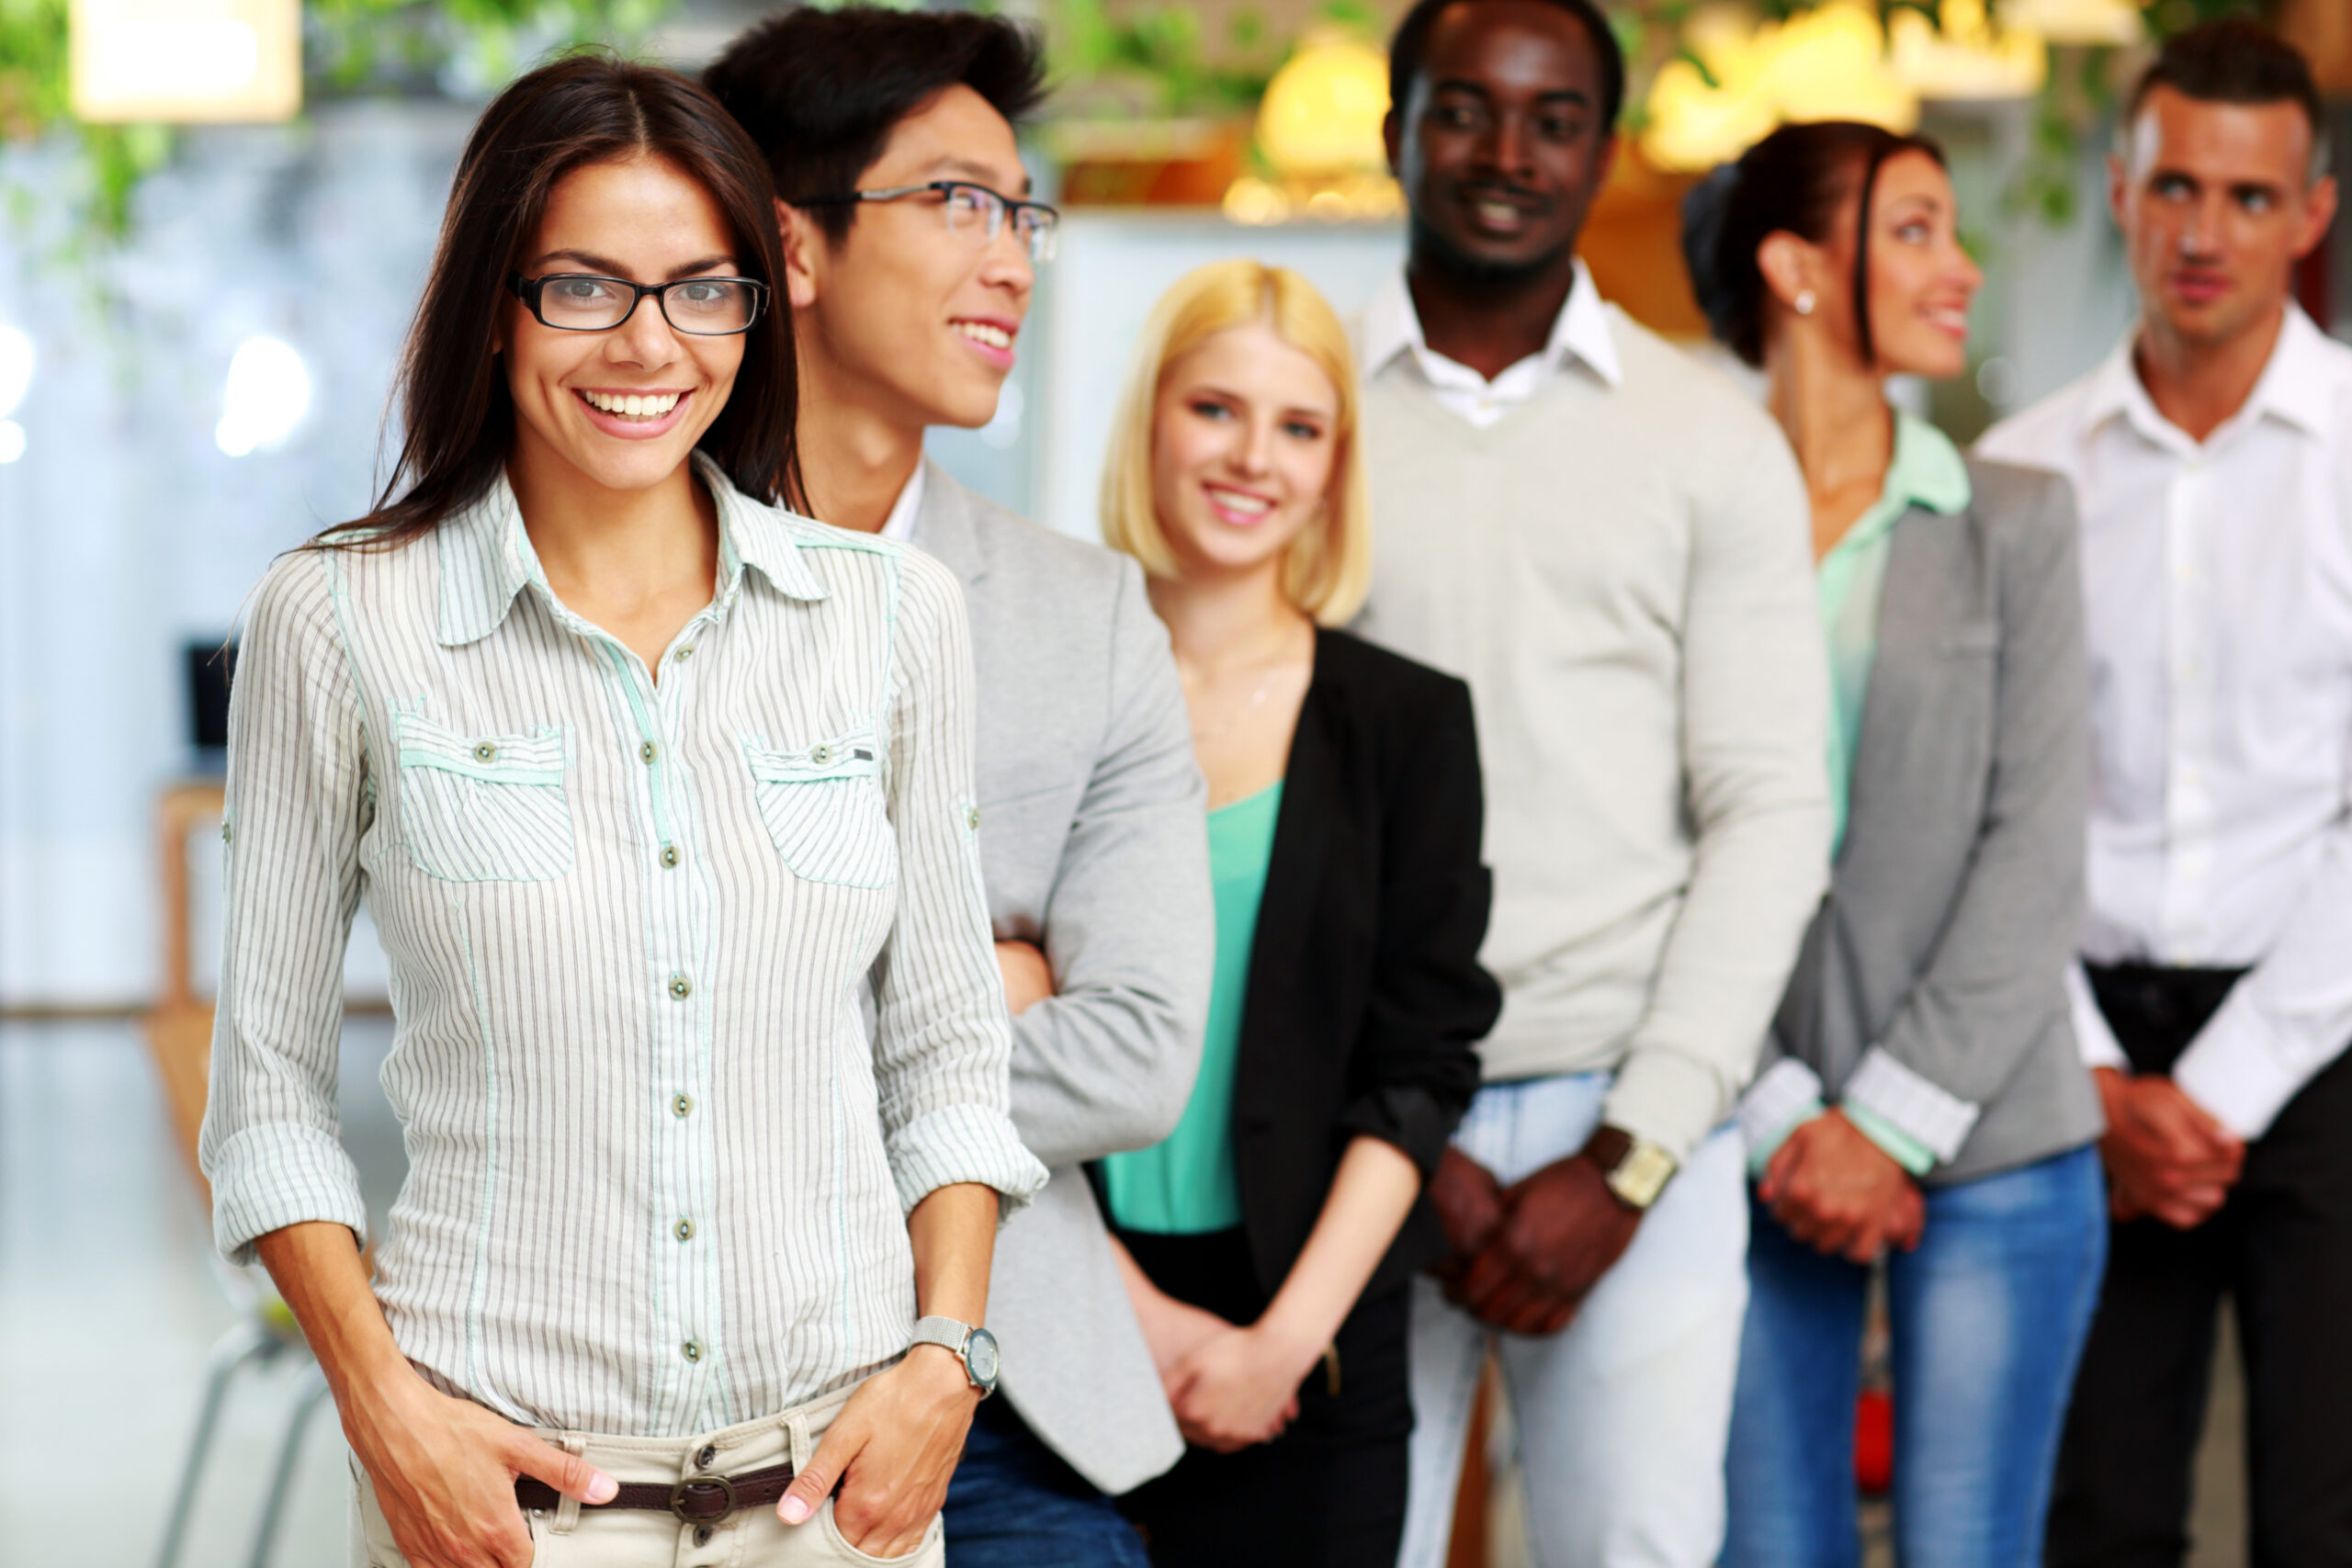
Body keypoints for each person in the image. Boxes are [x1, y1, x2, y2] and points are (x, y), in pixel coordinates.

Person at [198, 54, 1046, 1568]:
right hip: (499, 1505)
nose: (647, 346)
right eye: (583, 288)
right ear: (494, 299)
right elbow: (265, 1095)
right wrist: (384, 1410)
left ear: (754, 305)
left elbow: (946, 1054)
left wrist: (945, 1361)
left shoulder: (890, 619)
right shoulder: (339, 621)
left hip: (834, 1502)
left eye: (700, 290)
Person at [703, 13, 1216, 1566]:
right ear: (790, 245)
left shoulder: (1085, 612)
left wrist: (762, 1064)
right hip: (676, 1395)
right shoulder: (617, 578)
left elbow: (1135, 1051)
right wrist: (973, 991)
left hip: (1003, 1395)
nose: (1012, 260)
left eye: (1022, 212)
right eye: (957, 202)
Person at [1351, 0, 1835, 1562]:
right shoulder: (1292, 417)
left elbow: (1771, 808)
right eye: (1465, 109)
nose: (1507, 153)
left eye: (1553, 119)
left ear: (1602, 151)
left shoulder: (1710, 439)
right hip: (1355, 1117)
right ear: (1398, 132)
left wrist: (1632, 1157)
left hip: (1635, 1116)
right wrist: (1391, 1141)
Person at [1678, 120, 2108, 1568]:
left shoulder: (2017, 522)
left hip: (1998, 1138)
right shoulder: (1682, 523)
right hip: (1750, 1134)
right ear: (1801, 267)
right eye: (1917, 230)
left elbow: (2037, 845)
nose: (1963, 267)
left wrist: (1889, 1123)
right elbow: (1657, 847)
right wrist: (1788, 1110)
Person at [1977, 20, 2352, 1567]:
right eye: (2174, 187)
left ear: (2312, 215)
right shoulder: (2021, 473)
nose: (2206, 234)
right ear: (2121, 193)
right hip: (2078, 1067)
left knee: (2325, 1517)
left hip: (2324, 1042)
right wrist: (2098, 1076)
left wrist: (2223, 1086)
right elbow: (1992, 805)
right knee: (2096, 1516)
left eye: (2249, 199)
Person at [1092, 258, 1498, 1567]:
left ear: (1335, 468)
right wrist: (1136, 1323)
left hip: (1310, 1349)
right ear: (1151, 419)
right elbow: (970, 1037)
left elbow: (1420, 1067)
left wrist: (1281, 1344)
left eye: (1300, 427)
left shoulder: (1407, 724)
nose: (1252, 457)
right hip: (1059, 1318)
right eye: (1215, 409)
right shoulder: (1045, 685)